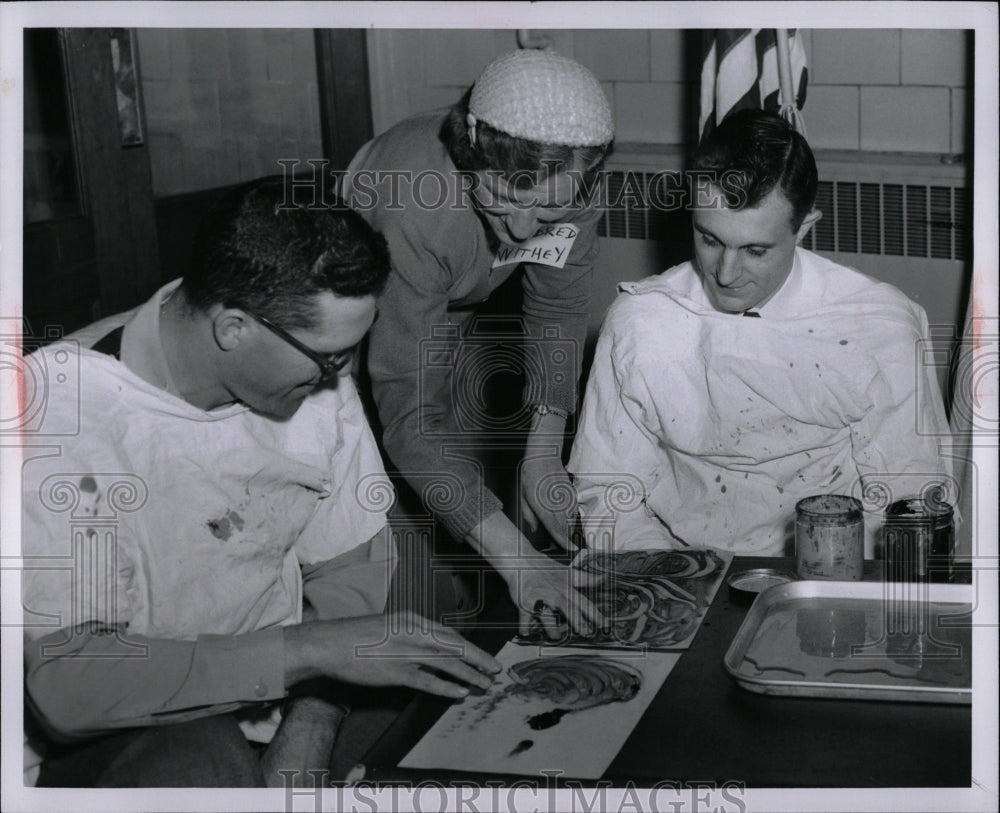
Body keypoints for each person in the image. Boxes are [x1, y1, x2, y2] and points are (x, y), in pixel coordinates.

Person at [20, 177, 500, 788]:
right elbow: (72, 694)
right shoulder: (57, 423)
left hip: (281, 688)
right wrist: (311, 651)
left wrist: (314, 720)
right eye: (328, 357)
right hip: (112, 731)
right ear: (233, 328)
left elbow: (350, 567)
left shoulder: (309, 377)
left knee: (466, 740)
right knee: (203, 759)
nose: (341, 377)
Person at [569, 109, 953, 557]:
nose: (726, 274)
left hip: (832, 568)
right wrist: (672, 579)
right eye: (709, 239)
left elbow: (909, 498)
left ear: (804, 227)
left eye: (755, 250)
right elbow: (609, 493)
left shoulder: (878, 327)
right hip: (676, 562)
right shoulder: (641, 320)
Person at [342, 49, 614, 638]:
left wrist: (543, 448)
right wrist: (519, 563)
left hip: (446, 315)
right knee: (394, 570)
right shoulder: (414, 204)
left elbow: (557, 303)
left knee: (471, 539)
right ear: (470, 154)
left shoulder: (575, 176)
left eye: (547, 207)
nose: (521, 229)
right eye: (506, 198)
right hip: (344, 348)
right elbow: (412, 416)